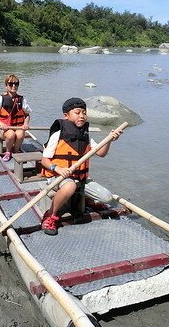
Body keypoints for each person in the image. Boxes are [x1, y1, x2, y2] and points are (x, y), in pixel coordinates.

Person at [39, 97, 122, 235]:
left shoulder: (86, 135)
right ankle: (50, 216)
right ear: (66, 115)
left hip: (80, 179)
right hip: (58, 178)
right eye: (77, 112)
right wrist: (58, 169)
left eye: (84, 112)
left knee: (107, 197)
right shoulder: (58, 134)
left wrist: (110, 140)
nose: (82, 116)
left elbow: (101, 153)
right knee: (70, 186)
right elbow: (44, 160)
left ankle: (88, 200)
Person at [0, 74, 31, 162]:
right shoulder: (1, 99)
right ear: (6, 86)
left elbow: (27, 115)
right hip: (4, 130)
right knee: (11, 134)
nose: (13, 86)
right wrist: (1, 124)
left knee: (20, 134)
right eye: (11, 84)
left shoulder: (22, 99)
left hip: (17, 127)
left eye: (16, 84)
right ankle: (8, 152)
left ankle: (15, 151)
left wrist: (26, 124)